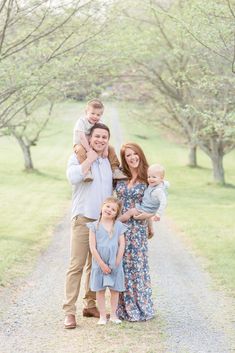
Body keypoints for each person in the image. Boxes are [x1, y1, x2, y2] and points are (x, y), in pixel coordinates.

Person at [63, 123, 113, 329]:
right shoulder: (79, 156)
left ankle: (90, 305)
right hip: (83, 219)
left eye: (104, 137)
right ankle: (68, 311)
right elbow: (73, 177)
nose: (101, 140)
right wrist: (89, 160)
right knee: (76, 266)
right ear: (89, 138)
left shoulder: (108, 161)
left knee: (95, 266)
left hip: (102, 223)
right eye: (97, 136)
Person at [115, 142, 155, 321]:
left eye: (135, 153)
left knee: (137, 268)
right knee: (122, 267)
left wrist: (149, 223)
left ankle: (140, 306)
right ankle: (123, 307)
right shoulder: (120, 177)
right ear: (124, 159)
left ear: (140, 154)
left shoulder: (148, 178)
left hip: (137, 229)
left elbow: (152, 206)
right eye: (128, 155)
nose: (132, 157)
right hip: (120, 228)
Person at [87, 196, 127, 325]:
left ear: (116, 214)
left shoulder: (119, 226)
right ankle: (103, 316)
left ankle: (114, 315)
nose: (109, 210)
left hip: (114, 263)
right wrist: (102, 264)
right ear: (102, 207)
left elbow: (122, 245)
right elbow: (92, 247)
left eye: (113, 209)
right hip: (99, 263)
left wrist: (117, 261)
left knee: (115, 290)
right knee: (100, 290)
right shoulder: (94, 226)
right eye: (108, 206)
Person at [73, 99, 126, 182]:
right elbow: (82, 137)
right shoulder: (81, 121)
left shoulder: (100, 122)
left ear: (101, 115)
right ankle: (87, 172)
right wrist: (89, 150)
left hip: (92, 144)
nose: (95, 116)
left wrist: (105, 149)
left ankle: (115, 170)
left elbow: (106, 135)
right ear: (86, 112)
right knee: (80, 151)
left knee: (111, 148)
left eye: (98, 115)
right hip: (81, 144)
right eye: (92, 113)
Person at [131, 163, 169, 238]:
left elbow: (164, 202)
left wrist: (158, 214)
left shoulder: (158, 190)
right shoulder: (153, 186)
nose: (150, 179)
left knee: (130, 213)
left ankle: (118, 221)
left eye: (154, 177)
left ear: (161, 178)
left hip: (147, 209)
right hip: (146, 207)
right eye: (149, 177)